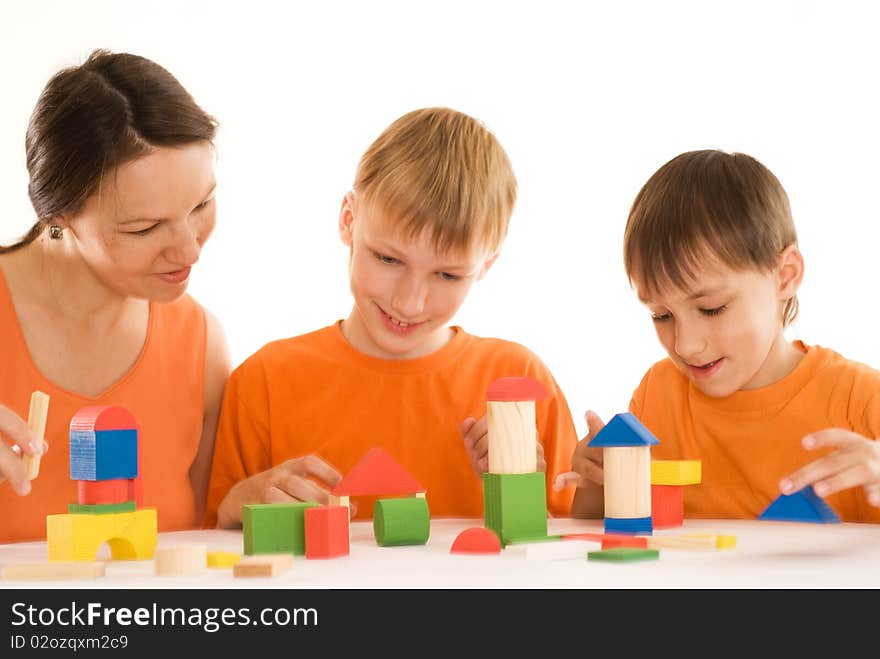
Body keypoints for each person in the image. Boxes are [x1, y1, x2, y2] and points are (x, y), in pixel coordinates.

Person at [204, 107, 579, 529]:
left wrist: (522, 491)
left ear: (487, 263)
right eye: (387, 258)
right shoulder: (264, 382)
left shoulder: (519, 381)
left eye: (447, 274)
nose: (410, 302)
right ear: (349, 219)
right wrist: (236, 507)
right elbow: (214, 550)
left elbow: (565, 554)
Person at [560, 149, 880, 522]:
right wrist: (596, 480)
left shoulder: (861, 401)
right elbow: (596, 536)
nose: (685, 345)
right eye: (661, 315)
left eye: (711, 308)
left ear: (785, 275)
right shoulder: (658, 396)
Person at [0, 49, 232, 542]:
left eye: (201, 205)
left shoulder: (202, 346)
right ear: (58, 216)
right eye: (144, 228)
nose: (189, 249)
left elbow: (198, 552)